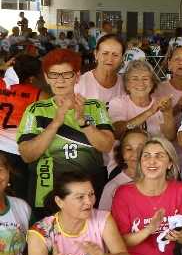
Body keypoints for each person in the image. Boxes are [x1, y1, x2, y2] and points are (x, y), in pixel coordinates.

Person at [18, 48, 116, 212]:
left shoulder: (94, 106)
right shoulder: (35, 110)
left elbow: (106, 145)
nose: (60, 80)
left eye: (67, 74)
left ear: (77, 76)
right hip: (47, 192)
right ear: (47, 78)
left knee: (89, 236)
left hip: (88, 192)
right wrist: (56, 123)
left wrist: (82, 121)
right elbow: (27, 155)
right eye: (54, 74)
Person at [0, 54, 43, 203]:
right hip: (19, 151)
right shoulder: (38, 95)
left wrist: (2, 67)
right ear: (33, 77)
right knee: (20, 197)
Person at [155, 45, 182, 189]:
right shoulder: (158, 89)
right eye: (177, 58)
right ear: (169, 63)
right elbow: (153, 120)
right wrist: (177, 107)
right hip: (165, 153)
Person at [108, 61, 177, 142]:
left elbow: (171, 137)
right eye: (135, 79)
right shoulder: (118, 103)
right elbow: (116, 133)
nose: (140, 83)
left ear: (152, 83)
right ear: (126, 84)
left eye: (145, 78)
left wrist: (167, 112)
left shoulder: (160, 103)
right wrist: (149, 112)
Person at [97, 128, 149, 211]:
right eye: (129, 149)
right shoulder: (112, 187)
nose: (135, 154)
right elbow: (103, 220)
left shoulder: (161, 180)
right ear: (123, 154)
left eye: (141, 148)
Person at [75, 33, 125, 107]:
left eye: (116, 55)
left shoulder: (126, 85)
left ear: (122, 58)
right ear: (96, 54)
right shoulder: (80, 84)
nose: (110, 59)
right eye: (105, 53)